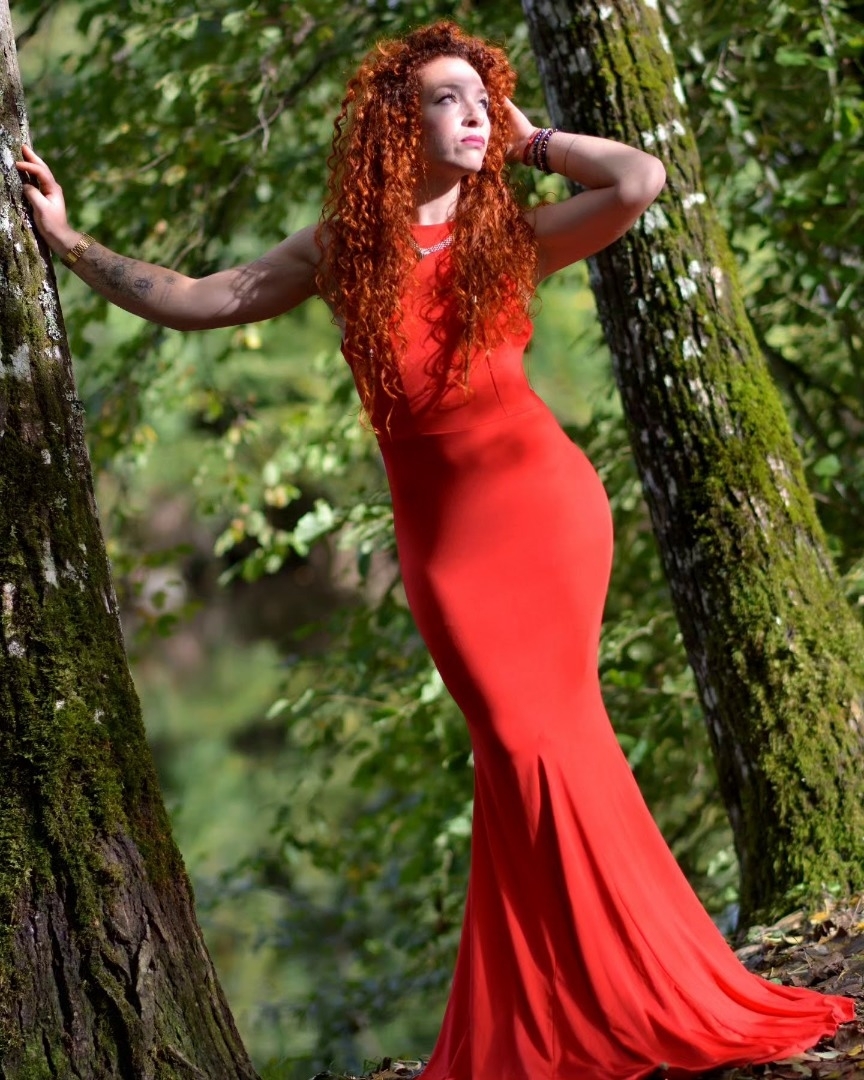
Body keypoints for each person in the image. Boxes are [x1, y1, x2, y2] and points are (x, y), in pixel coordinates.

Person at [16, 20, 854, 1080]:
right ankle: (573, 1008)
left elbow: (638, 180)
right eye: (447, 99)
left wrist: (533, 139)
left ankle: (642, 992)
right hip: (447, 546)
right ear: (394, 123)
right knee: (511, 751)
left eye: (481, 98)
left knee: (547, 740)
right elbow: (195, 300)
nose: (471, 115)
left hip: (545, 512)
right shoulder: (342, 251)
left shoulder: (508, 233)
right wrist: (68, 241)